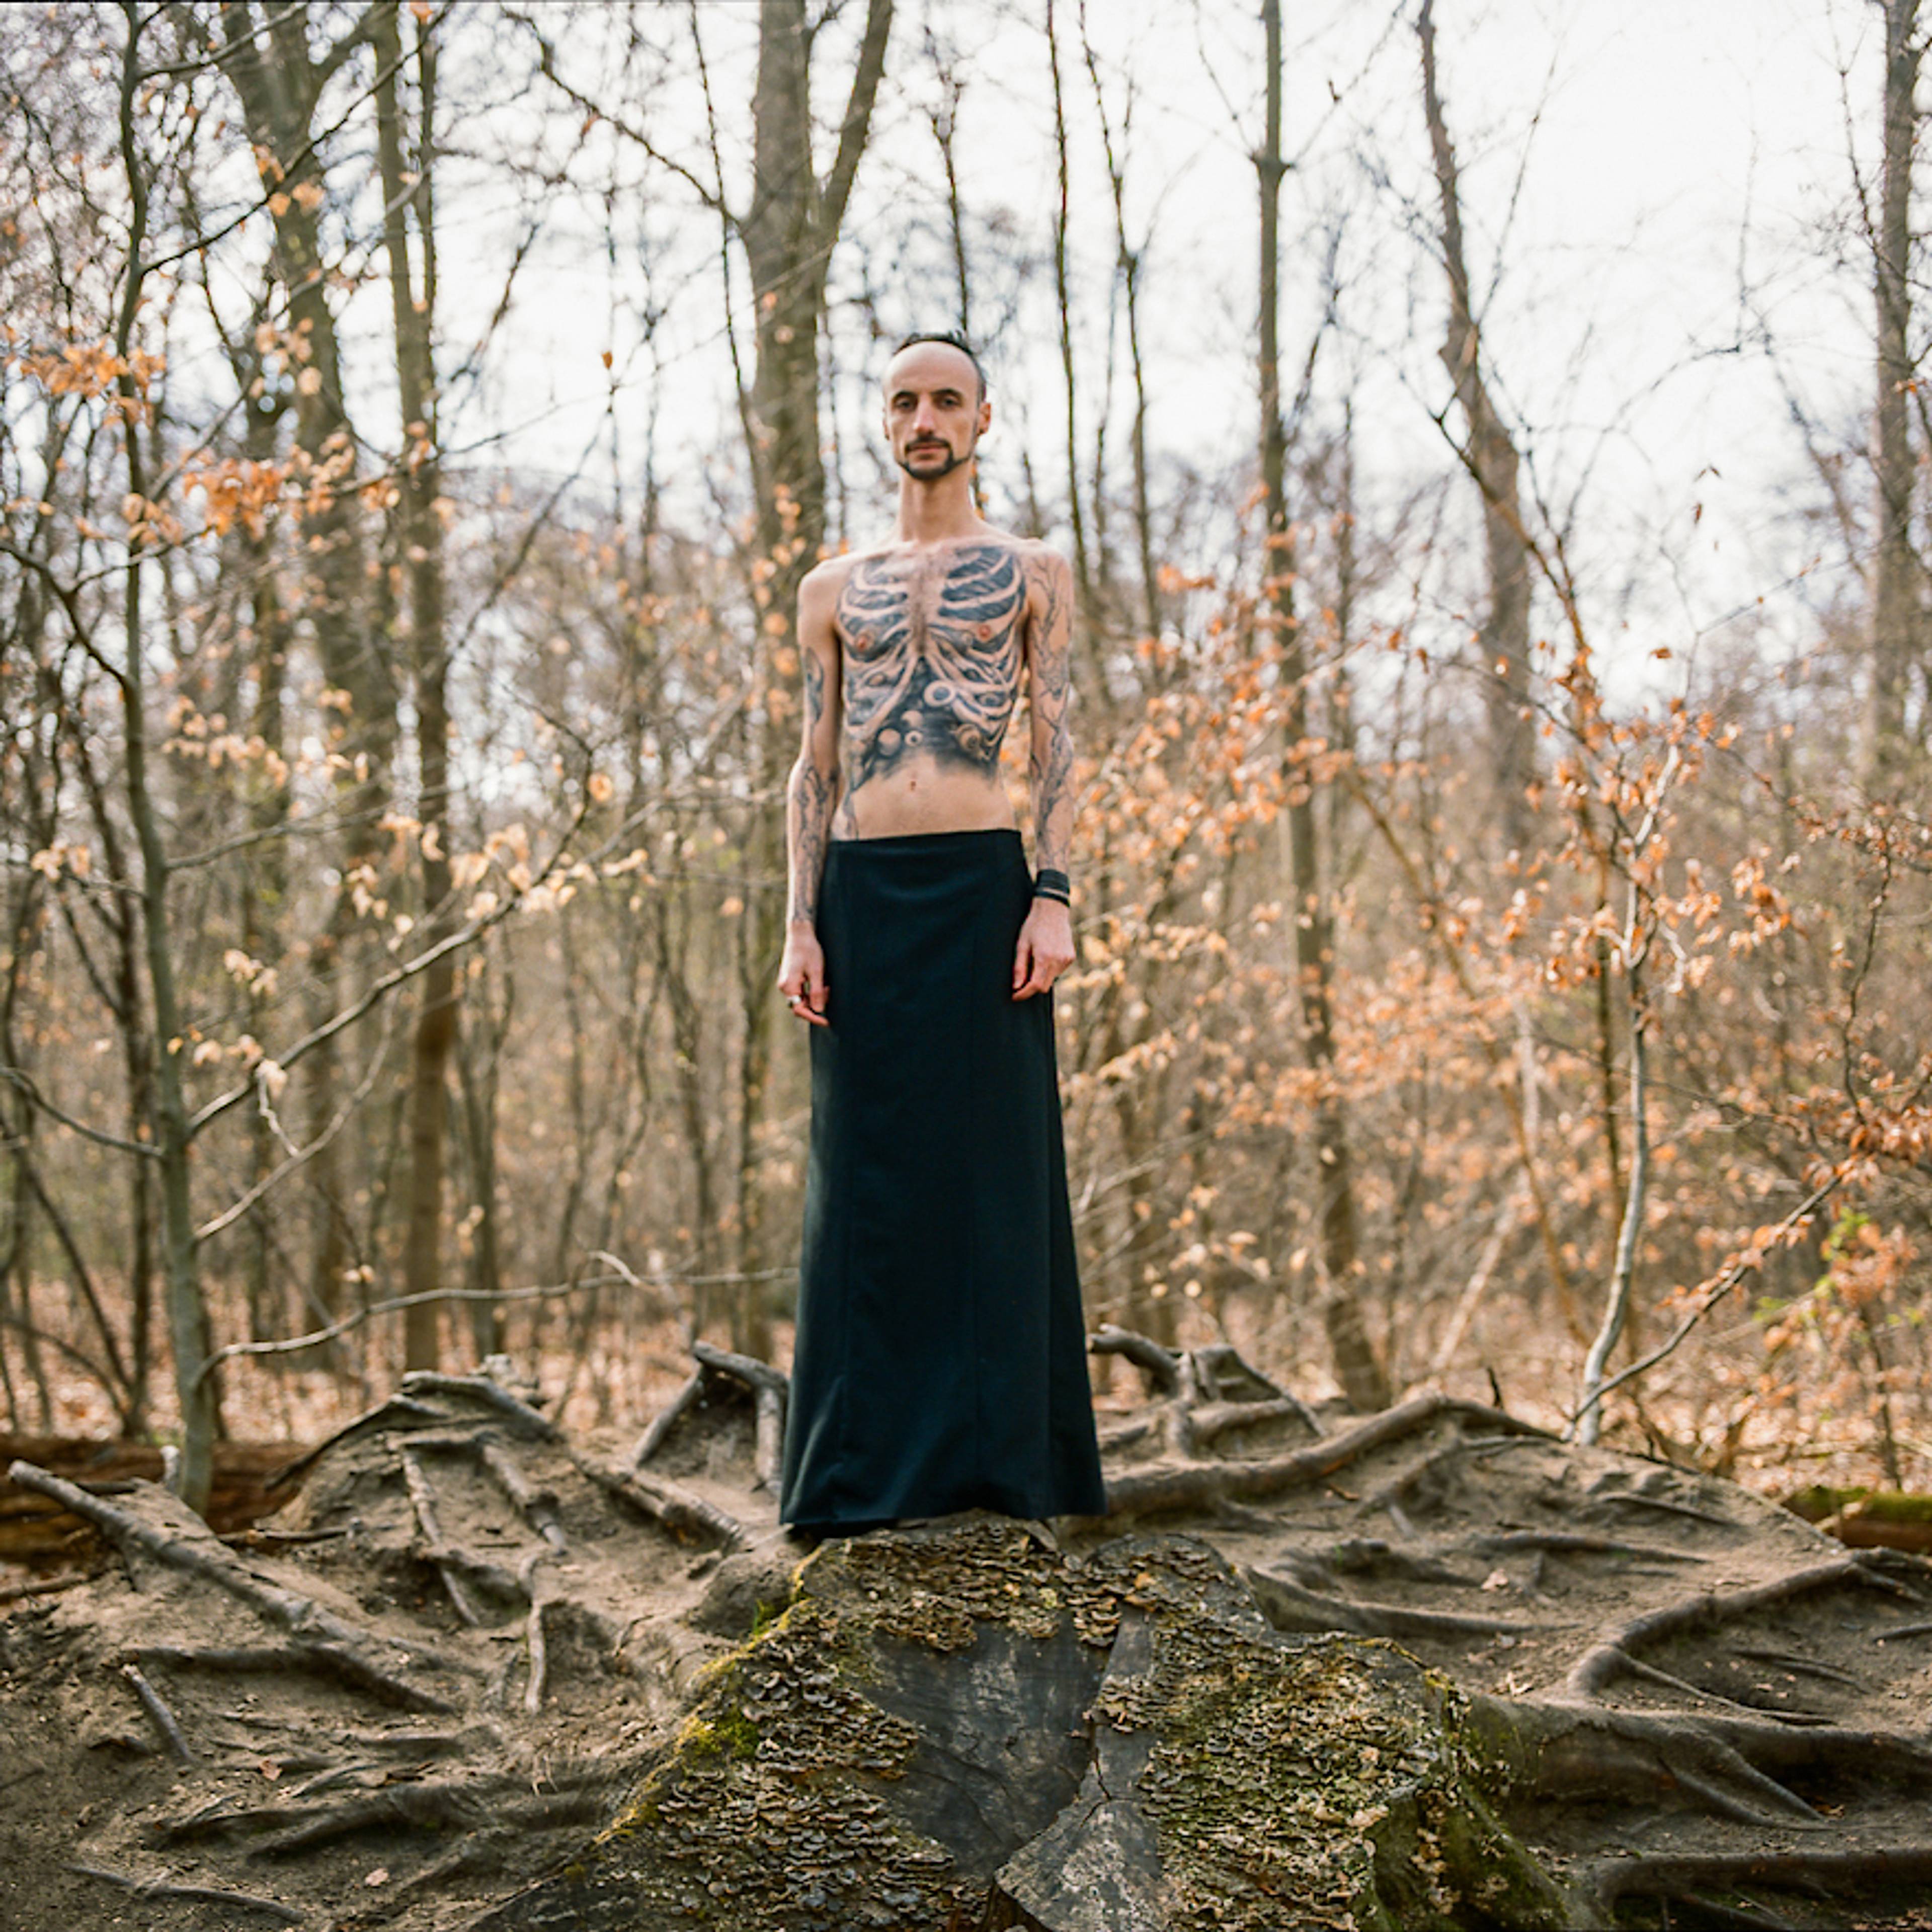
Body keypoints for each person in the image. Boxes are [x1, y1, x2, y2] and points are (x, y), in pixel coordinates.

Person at [775, 331, 1106, 1536]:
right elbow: (813, 765)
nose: (926, 420)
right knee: (859, 1181)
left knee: (992, 1173)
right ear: (885, 420)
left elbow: (1060, 744)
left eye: (947, 402)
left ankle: (1003, 1469)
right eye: (907, 401)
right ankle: (852, 1478)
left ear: (981, 421)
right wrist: (800, 924)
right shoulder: (831, 587)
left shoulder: (1032, 571)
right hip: (861, 893)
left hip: (981, 889)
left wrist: (1052, 895)